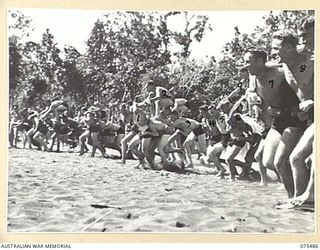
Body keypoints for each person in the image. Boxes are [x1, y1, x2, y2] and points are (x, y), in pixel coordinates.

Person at [243, 50, 306, 198]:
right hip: (277, 120)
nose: (246, 66)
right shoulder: (253, 78)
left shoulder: (279, 71)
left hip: (294, 117)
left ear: (259, 61)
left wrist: (303, 107)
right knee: (268, 162)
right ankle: (296, 189)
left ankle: (294, 197)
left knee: (280, 161)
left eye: (248, 62)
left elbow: (301, 82)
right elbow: (259, 95)